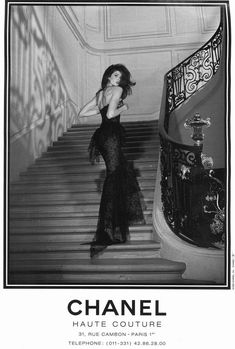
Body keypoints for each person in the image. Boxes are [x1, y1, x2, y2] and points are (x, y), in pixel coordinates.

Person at [78, 64, 145, 258]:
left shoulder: (100, 93)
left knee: (115, 174)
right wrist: (123, 106)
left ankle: (112, 223)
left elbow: (82, 113)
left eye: (121, 77)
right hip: (111, 136)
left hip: (101, 135)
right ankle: (108, 229)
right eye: (116, 75)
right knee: (114, 176)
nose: (118, 79)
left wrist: (100, 112)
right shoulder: (117, 90)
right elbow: (110, 114)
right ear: (109, 75)